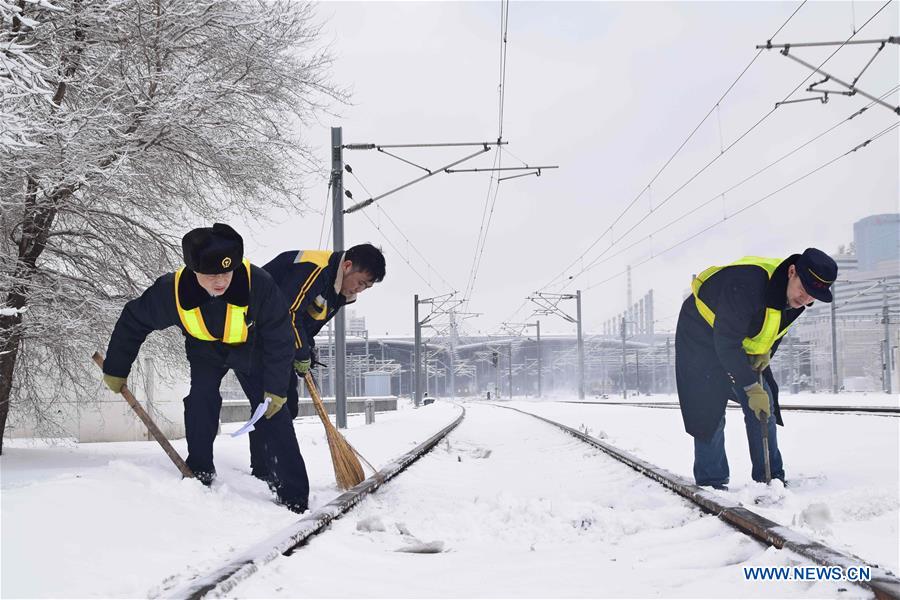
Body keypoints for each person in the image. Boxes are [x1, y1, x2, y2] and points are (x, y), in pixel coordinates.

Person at [101, 223, 309, 512]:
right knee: (200, 399)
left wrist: (276, 387)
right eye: (211, 275)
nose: (220, 281)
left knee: (271, 409)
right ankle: (200, 469)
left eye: (226, 272)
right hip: (205, 350)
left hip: (252, 348)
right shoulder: (171, 291)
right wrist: (116, 367)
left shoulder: (257, 283)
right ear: (194, 270)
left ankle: (293, 494)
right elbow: (133, 321)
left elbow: (279, 333)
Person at [675, 248, 837, 489]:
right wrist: (750, 387)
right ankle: (712, 481)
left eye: (812, 297)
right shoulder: (747, 283)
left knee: (764, 406)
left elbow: (776, 328)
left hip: (736, 339)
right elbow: (726, 342)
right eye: (804, 291)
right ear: (792, 272)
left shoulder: (798, 298)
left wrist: (765, 353)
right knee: (707, 407)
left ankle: (770, 478)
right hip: (701, 335)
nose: (806, 300)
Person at [247, 244, 386, 481]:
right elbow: (288, 312)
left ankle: (264, 466)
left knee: (287, 405)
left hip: (277, 342)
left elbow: (306, 320)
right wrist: (300, 350)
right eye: (360, 283)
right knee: (273, 405)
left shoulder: (337, 290)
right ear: (348, 265)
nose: (359, 290)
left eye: (366, 287)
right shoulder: (315, 269)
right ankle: (264, 471)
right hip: (252, 333)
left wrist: (306, 350)